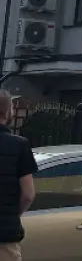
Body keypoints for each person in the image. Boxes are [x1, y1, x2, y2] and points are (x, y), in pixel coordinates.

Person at [0, 91, 36, 261]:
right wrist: (13, 214)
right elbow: (28, 195)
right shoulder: (19, 145)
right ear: (8, 112)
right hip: (5, 235)